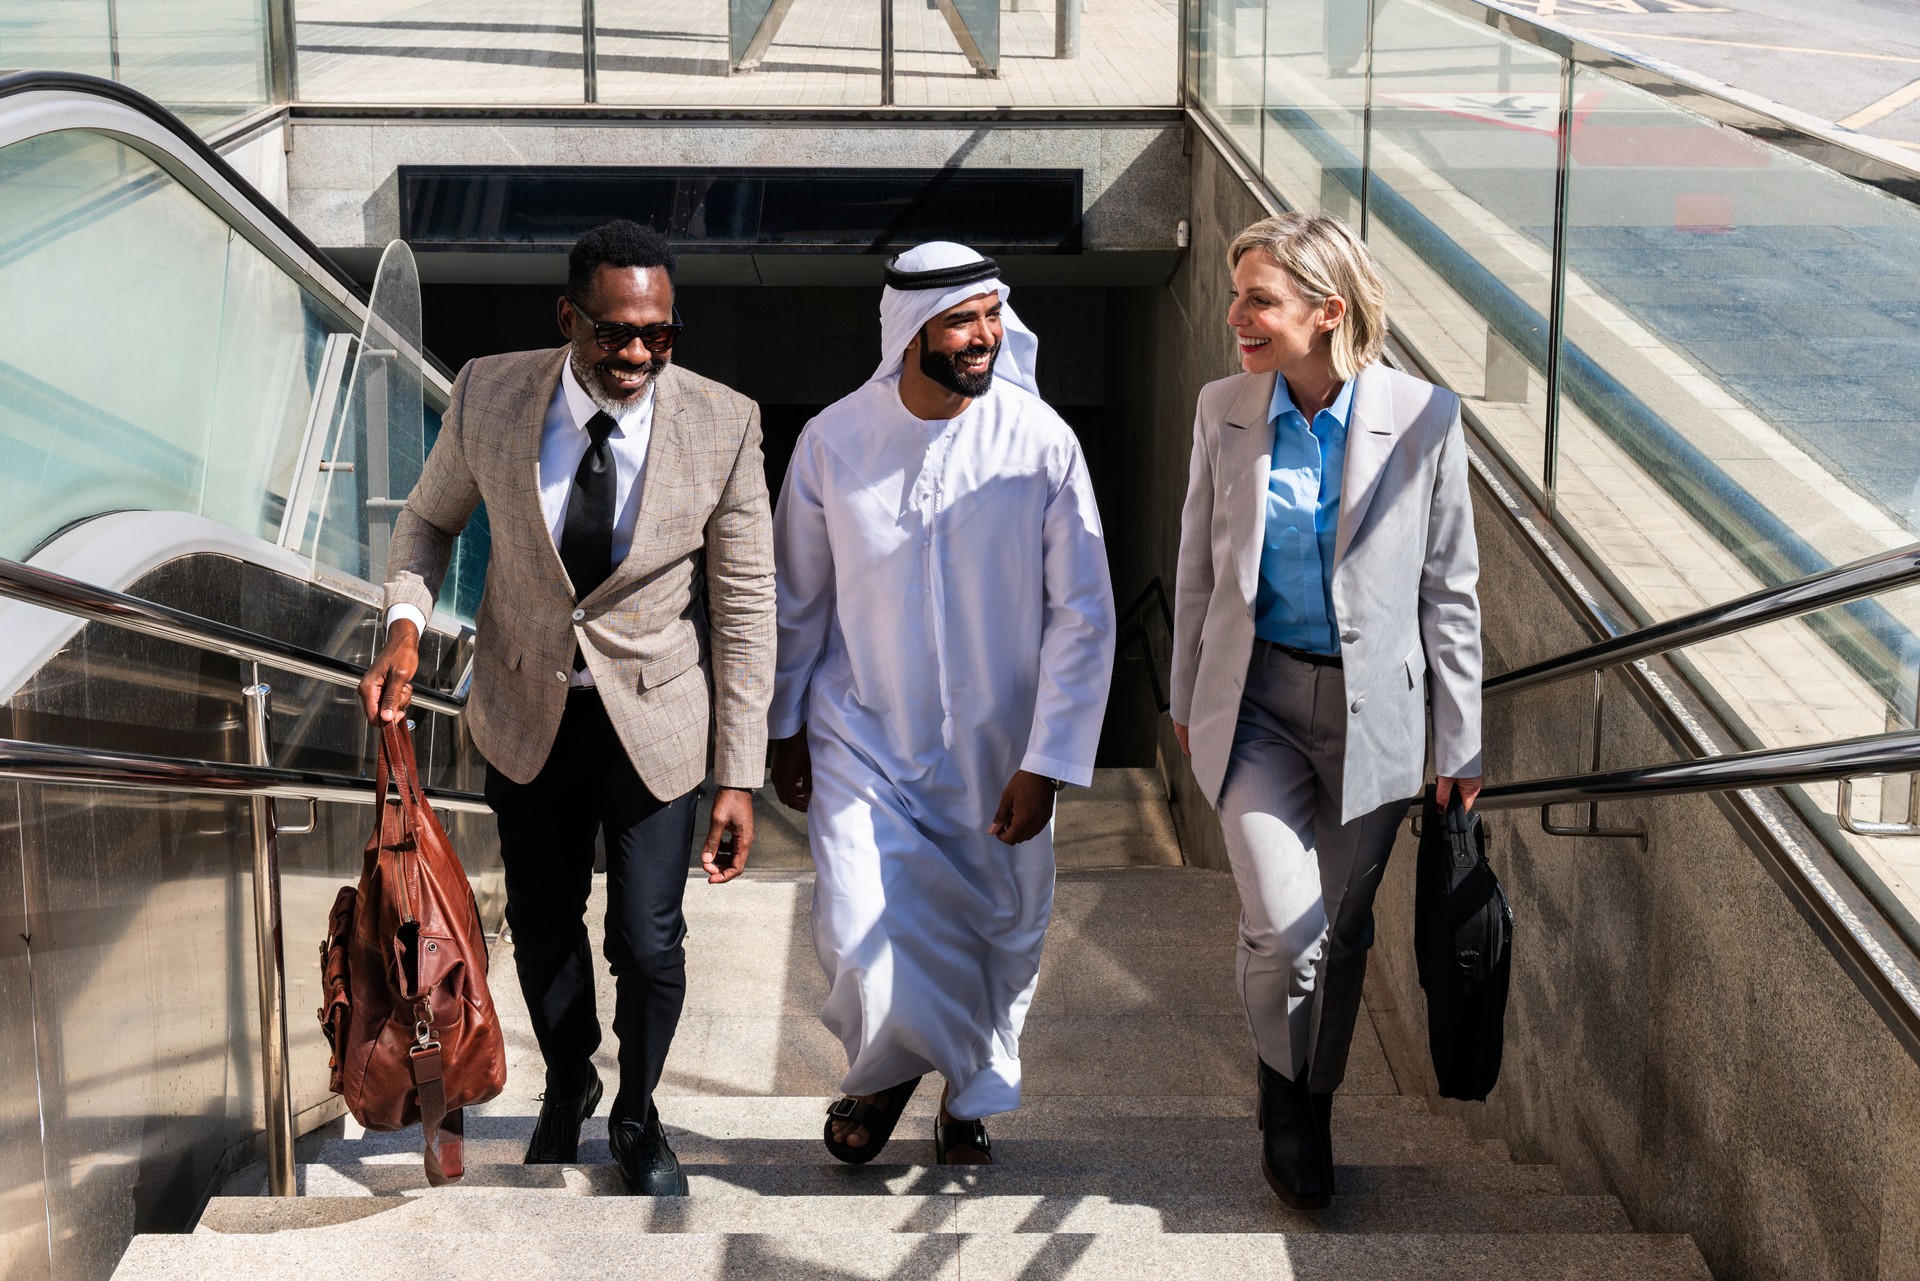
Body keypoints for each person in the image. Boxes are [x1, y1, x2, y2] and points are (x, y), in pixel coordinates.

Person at [357, 220, 775, 1196]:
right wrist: (407, 627)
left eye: (657, 335)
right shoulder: (490, 394)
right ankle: (570, 1082)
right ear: (568, 317)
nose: (635, 354)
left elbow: (748, 608)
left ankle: (638, 1112)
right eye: (612, 332)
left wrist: (739, 775)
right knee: (544, 924)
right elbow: (427, 520)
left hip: (657, 722)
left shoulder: (725, 421)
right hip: (523, 706)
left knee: (647, 937)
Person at [767, 241, 1116, 1166]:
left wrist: (1046, 760)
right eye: (964, 320)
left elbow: (1084, 616)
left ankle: (966, 1092)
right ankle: (884, 1071)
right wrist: (784, 727)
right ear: (909, 331)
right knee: (853, 920)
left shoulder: (1040, 442)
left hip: (1000, 750)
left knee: (997, 932)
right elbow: (795, 600)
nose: (986, 336)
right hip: (862, 735)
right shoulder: (832, 442)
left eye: (993, 315)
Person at [1169, 213, 1482, 1209]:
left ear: (1327, 311)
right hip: (1255, 704)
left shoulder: (1426, 416)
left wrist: (1461, 738)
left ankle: (1313, 1095)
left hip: (1372, 722)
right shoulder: (1224, 408)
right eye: (1237, 297)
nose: (1236, 319)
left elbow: (1450, 589)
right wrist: (1184, 694)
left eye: (1258, 299)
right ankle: (1283, 1097)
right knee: (1284, 928)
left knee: (1341, 938)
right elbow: (1194, 574)